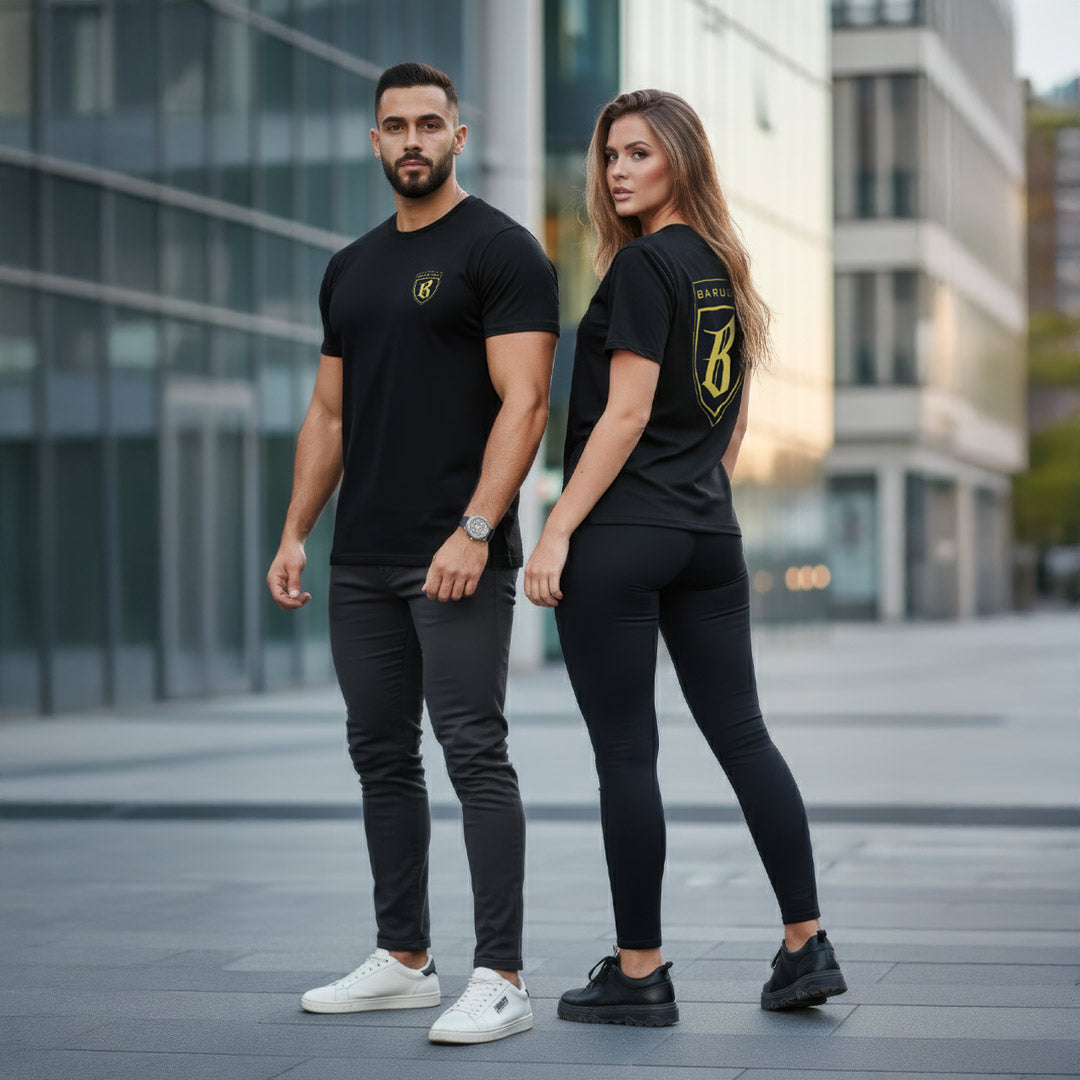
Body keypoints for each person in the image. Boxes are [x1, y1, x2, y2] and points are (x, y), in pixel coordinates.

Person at [524, 89, 846, 1026]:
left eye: (639, 153)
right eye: (610, 155)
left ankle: (640, 973)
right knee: (745, 737)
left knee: (627, 753)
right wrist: (696, 497)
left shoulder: (642, 267)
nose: (618, 171)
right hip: (708, 535)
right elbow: (733, 420)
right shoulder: (724, 269)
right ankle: (805, 944)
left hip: (623, 535)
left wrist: (557, 529)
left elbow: (625, 414)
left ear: (681, 160)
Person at [267, 61, 558, 1045]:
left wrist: (475, 529)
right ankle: (403, 959)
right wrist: (296, 530)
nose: (413, 141)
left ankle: (503, 976)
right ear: (375, 140)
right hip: (363, 557)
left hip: (456, 553)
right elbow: (328, 413)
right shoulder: (350, 267)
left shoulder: (502, 251)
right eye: (395, 126)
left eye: (430, 124)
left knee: (473, 749)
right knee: (380, 753)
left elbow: (527, 402)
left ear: (458, 137)